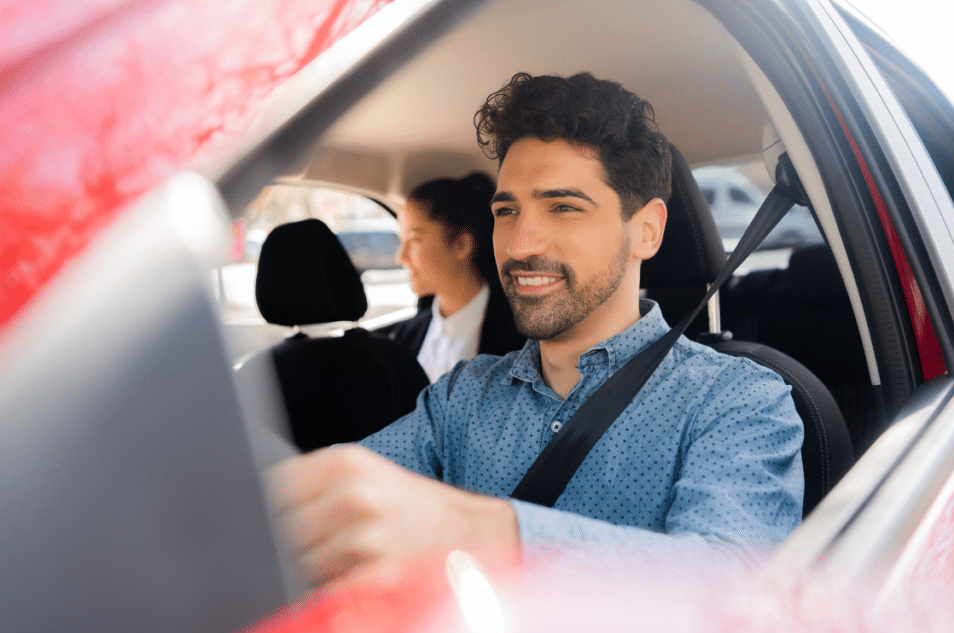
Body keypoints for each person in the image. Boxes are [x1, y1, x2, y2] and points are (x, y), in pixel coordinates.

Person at [270, 72, 804, 586]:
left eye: (564, 207)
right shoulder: (462, 397)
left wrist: (479, 530)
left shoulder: (739, 399)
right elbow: (339, 500)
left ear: (646, 230)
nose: (520, 244)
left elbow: (731, 588)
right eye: (507, 211)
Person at [388, 173, 525, 381]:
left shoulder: (522, 335)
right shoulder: (405, 336)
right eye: (402, 240)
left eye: (414, 240)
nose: (401, 257)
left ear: (461, 245)